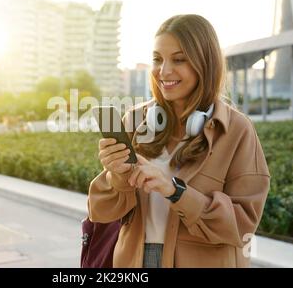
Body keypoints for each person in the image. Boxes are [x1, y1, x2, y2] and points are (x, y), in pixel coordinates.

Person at [87, 14, 270, 268]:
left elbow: (242, 226)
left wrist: (175, 191)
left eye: (179, 59)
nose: (164, 71)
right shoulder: (135, 120)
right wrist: (115, 175)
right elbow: (101, 211)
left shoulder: (237, 130)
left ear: (204, 63)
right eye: (157, 59)